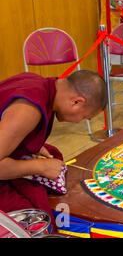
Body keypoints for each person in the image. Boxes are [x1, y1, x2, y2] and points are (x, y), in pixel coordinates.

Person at [0, 70, 107, 221]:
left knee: (52, 152)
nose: (78, 121)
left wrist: (28, 144)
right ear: (77, 101)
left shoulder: (37, 81)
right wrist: (39, 166)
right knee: (36, 219)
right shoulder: (28, 110)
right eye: (84, 117)